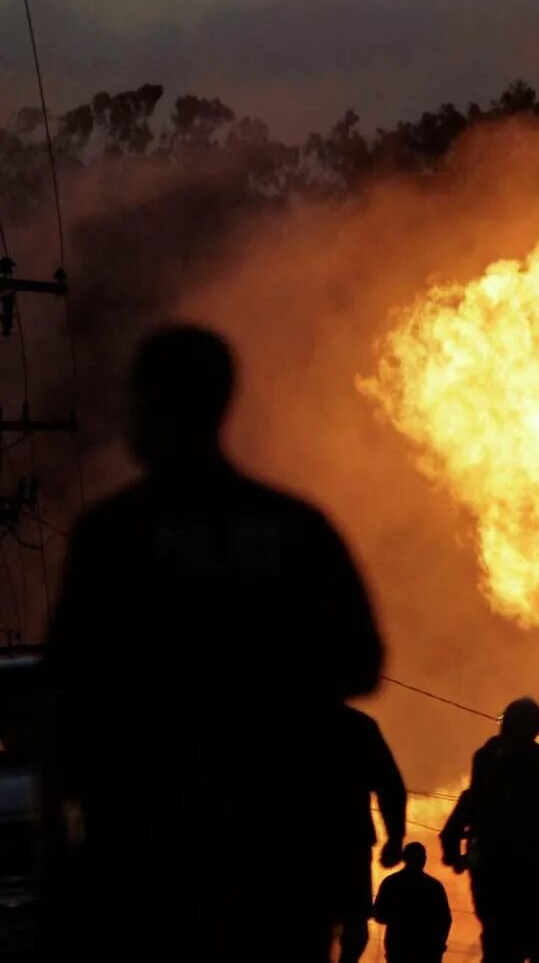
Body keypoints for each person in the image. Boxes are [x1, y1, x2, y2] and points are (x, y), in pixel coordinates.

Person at [42, 325, 384, 962]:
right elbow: (361, 664)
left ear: (151, 403)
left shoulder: (115, 536)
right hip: (276, 855)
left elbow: (67, 697)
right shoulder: (294, 527)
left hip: (147, 858)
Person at [441, 698, 539, 963]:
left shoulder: (490, 759)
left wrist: (459, 854)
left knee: (503, 945)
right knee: (531, 944)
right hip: (524, 873)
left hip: (507, 874)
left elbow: (473, 805)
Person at [320, 706, 408, 963]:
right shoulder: (358, 727)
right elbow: (390, 786)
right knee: (354, 926)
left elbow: (390, 786)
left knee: (353, 925)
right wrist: (394, 838)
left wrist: (395, 837)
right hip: (350, 842)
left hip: (348, 843)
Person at [374, 843, 453, 963]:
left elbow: (379, 915)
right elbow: (445, 920)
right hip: (426, 950)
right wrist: (439, 945)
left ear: (404, 858)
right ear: (423, 859)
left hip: (398, 948)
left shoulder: (391, 882)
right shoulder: (434, 886)